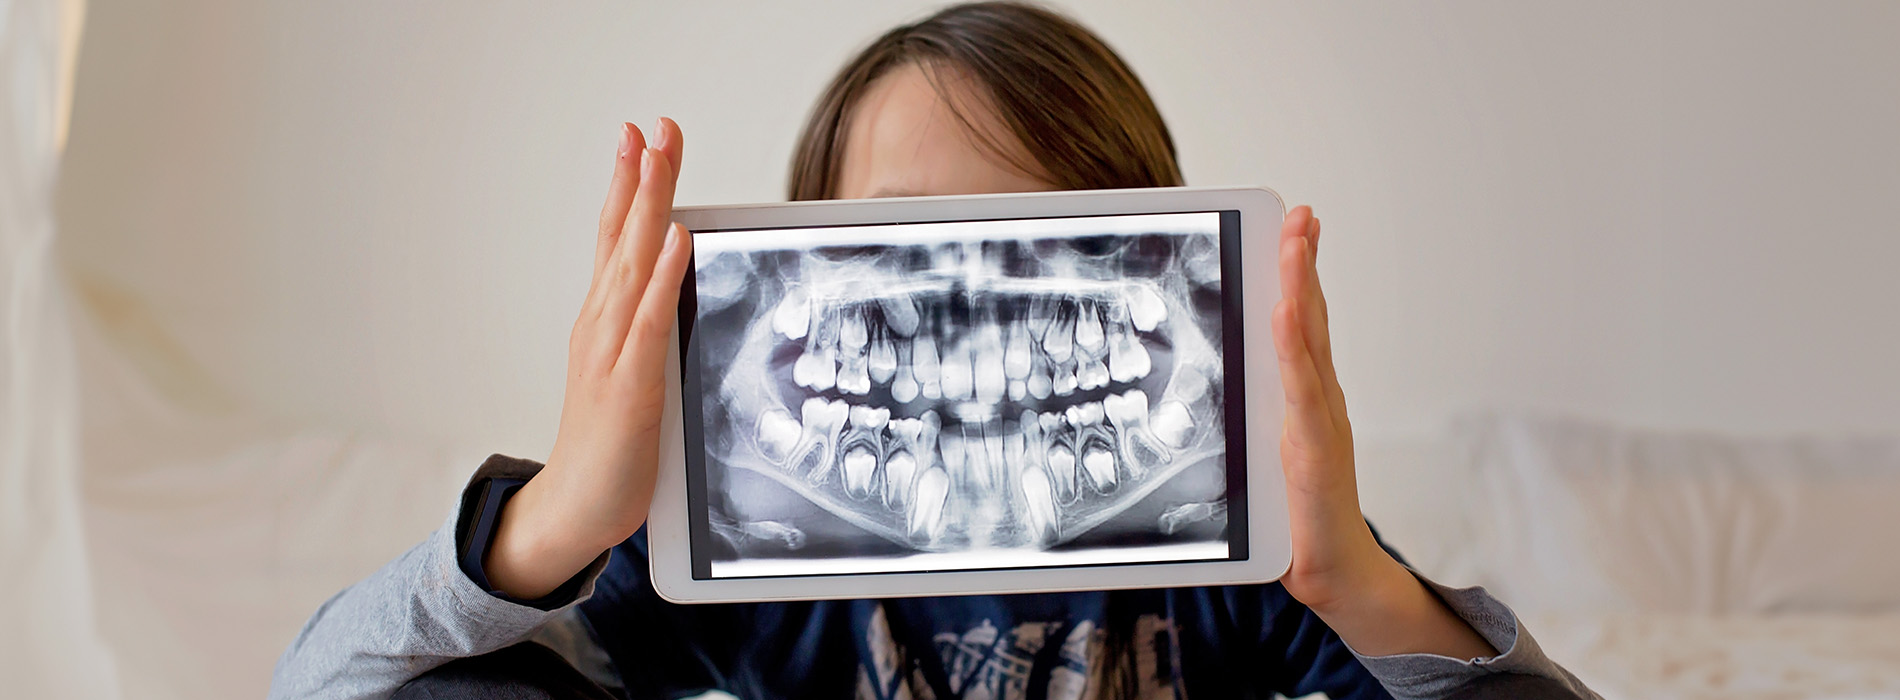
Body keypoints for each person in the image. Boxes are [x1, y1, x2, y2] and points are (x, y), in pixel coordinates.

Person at [271, 4, 1597, 699]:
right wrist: (559, 513)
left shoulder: (1242, 564)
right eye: (900, 241)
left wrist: (1349, 577)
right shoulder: (747, 574)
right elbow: (326, 689)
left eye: (1055, 235)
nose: (975, 296)